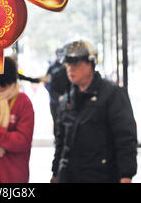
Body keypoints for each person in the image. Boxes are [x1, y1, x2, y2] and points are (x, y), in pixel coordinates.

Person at [51, 40, 138, 183]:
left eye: (76, 64)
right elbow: (61, 141)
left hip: (102, 174)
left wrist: (126, 175)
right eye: (68, 65)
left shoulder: (112, 94)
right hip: (69, 174)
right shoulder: (67, 99)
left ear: (92, 64)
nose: (70, 70)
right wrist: (55, 172)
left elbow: (125, 138)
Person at [44, 48, 70, 136]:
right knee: (57, 123)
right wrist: (57, 96)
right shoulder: (52, 68)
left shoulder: (68, 66)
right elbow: (47, 83)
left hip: (68, 101)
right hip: (54, 101)